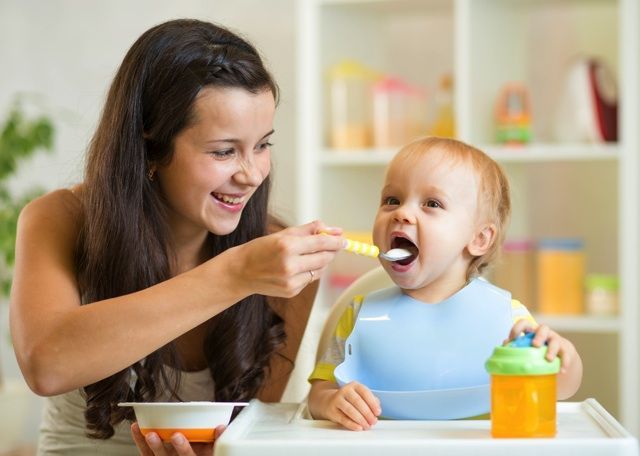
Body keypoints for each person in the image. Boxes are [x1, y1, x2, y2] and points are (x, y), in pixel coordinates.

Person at [9, 19, 344, 455]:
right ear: (151, 147)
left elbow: (252, 434)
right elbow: (46, 364)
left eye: (262, 145)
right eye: (224, 151)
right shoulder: (61, 218)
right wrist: (235, 276)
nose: (251, 175)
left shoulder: (280, 266)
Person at [307, 137, 583, 431]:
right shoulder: (358, 316)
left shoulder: (508, 320)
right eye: (392, 200)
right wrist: (331, 403)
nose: (401, 213)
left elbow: (562, 387)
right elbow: (316, 397)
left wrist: (562, 355)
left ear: (479, 239)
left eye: (432, 203)